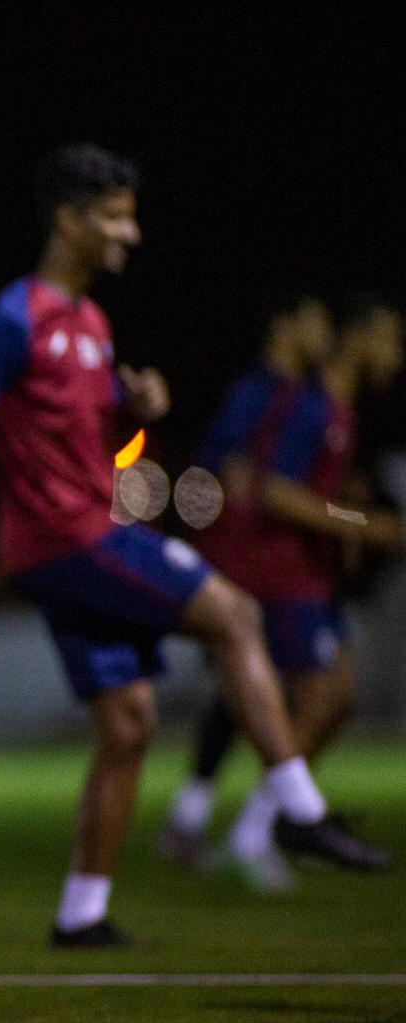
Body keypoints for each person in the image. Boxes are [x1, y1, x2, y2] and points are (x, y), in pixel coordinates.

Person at [0, 143, 387, 948]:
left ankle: (81, 912)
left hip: (71, 542)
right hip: (70, 539)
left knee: (130, 723)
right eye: (115, 216)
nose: (130, 234)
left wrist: (138, 400)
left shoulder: (92, 322)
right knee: (235, 613)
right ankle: (303, 813)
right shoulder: (13, 318)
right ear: (69, 220)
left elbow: (88, 427)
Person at [162, 293, 400, 888]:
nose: (396, 356)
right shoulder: (306, 403)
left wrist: (347, 511)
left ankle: (244, 821)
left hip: (293, 569)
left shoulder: (330, 405)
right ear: (359, 337)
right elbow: (270, 488)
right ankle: (264, 827)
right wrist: (357, 524)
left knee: (287, 693)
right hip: (272, 569)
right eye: (391, 339)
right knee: (320, 691)